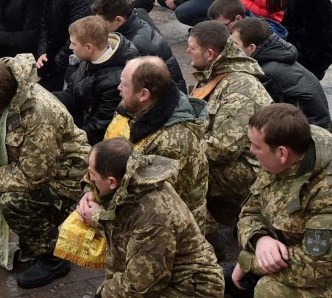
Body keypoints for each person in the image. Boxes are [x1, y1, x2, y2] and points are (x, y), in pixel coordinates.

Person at [0, 55, 91, 290]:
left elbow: (34, 174)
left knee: (14, 202)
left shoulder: (37, 115)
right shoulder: (10, 95)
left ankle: (53, 258)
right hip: (41, 166)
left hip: (66, 177)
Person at [79, 139, 224, 298]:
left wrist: (102, 295)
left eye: (92, 175)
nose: (90, 179)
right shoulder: (134, 175)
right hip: (166, 277)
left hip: (190, 289)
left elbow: (139, 286)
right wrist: (91, 192)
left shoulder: (153, 217)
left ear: (112, 182)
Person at [229, 104, 332, 298]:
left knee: (269, 289)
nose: (251, 150)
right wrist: (260, 238)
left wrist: (248, 261)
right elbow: (249, 212)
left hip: (331, 276)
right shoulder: (278, 159)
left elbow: (316, 269)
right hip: (287, 256)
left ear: (282, 153)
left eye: (256, 146)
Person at [186, 20, 272, 227]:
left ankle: (207, 231)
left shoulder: (239, 89)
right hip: (235, 159)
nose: (187, 51)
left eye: (192, 47)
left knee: (183, 167)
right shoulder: (214, 72)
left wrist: (181, 143)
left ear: (210, 54)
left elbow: (223, 150)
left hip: (252, 173)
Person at [109, 56, 210, 230]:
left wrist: (98, 212)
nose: (118, 89)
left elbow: (150, 204)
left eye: (124, 86)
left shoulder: (172, 142)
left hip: (170, 231)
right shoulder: (136, 108)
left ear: (144, 94)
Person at [229, 17, 330, 128]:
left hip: (307, 133)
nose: (230, 48)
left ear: (252, 48)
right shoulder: (276, 55)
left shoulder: (266, 73)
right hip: (314, 125)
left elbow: (260, 115)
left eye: (235, 44)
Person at [56, 16, 138, 144]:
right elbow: (72, 93)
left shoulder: (114, 82)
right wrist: (43, 97)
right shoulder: (90, 58)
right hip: (84, 118)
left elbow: (98, 129)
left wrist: (66, 140)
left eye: (74, 44)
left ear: (89, 47)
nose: (70, 47)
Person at [32, 0, 100, 90]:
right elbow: (44, 24)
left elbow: (76, 38)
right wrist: (42, 55)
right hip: (55, 56)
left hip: (72, 62)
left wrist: (51, 68)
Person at [91, 0, 185, 92]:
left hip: (166, 98)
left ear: (119, 20)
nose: (99, 27)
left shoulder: (133, 47)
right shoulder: (138, 20)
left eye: (102, 23)